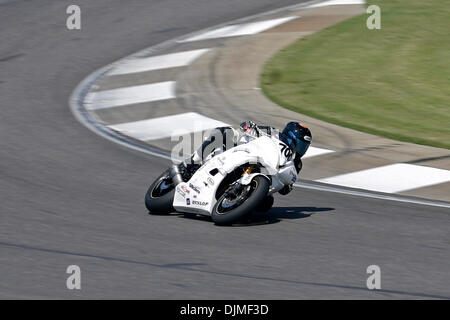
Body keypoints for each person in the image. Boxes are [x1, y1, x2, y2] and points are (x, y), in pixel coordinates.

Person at [181, 121, 312, 178]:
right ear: (291, 136)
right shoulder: (273, 132)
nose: (301, 148)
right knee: (224, 132)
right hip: (246, 153)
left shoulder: (296, 164)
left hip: (264, 173)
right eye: (301, 144)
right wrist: (248, 127)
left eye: (304, 146)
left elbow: (286, 190)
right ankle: (192, 162)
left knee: (266, 204)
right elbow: (249, 127)